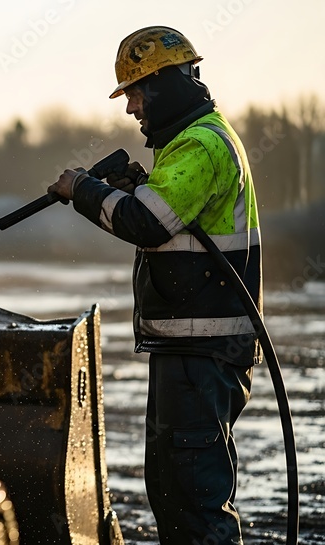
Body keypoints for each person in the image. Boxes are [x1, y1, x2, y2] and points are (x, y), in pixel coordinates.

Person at [48, 26, 261, 545]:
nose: (131, 109)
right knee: (170, 491)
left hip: (203, 352)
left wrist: (84, 189)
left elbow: (147, 224)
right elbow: (168, 217)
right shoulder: (184, 148)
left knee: (193, 502)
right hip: (188, 348)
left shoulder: (200, 145)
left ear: (164, 85)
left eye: (137, 94)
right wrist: (136, 186)